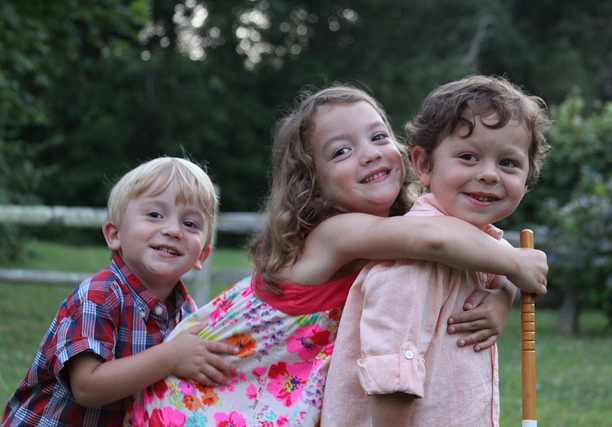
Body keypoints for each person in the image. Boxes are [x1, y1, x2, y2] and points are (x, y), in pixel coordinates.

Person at [123, 85, 547, 427]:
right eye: (341, 151)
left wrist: (503, 292)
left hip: (268, 397)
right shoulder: (335, 233)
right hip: (201, 398)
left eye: (378, 137)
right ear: (313, 185)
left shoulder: (397, 232)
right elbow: (435, 239)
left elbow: (465, 242)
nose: (370, 153)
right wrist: (515, 265)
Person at [321, 75, 552, 427]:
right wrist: (513, 271)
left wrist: (504, 291)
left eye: (508, 163)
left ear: (528, 176)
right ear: (425, 165)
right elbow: (393, 375)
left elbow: (503, 258)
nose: (489, 174)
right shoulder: (415, 262)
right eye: (468, 157)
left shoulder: (481, 247)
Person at [2, 157, 240, 427]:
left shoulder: (188, 312)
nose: (173, 230)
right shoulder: (98, 296)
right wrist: (172, 357)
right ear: (114, 234)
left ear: (202, 256)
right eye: (155, 215)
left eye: (190, 224)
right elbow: (87, 387)